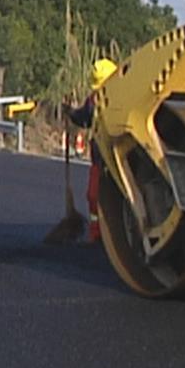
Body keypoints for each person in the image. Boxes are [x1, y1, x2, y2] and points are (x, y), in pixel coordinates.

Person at [65, 58, 118, 243]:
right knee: (94, 196)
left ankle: (115, 236)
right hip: (99, 157)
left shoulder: (122, 97)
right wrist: (71, 113)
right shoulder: (94, 100)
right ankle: (97, 234)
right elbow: (85, 117)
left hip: (117, 156)